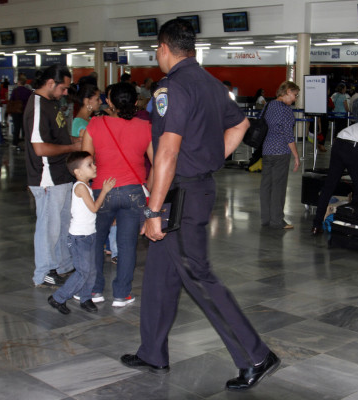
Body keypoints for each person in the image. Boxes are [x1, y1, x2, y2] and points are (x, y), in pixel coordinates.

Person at [120, 18, 280, 392]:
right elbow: (241, 125)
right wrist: (212, 156)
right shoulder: (210, 84)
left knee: (197, 275)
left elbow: (167, 153)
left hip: (180, 195)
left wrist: (153, 211)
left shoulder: (171, 88)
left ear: (163, 47)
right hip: (197, 186)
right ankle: (152, 352)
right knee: (161, 275)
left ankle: (256, 355)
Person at [82, 82, 154, 307]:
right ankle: (122, 294)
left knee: (95, 242)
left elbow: (85, 160)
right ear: (135, 102)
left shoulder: (95, 123)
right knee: (126, 245)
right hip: (134, 191)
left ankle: (95, 290)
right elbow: (157, 162)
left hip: (102, 190)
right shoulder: (146, 127)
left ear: (109, 102)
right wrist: (146, 186)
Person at [25, 65, 81, 287]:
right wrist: (71, 148)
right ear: (50, 83)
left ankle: (62, 264)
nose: (66, 93)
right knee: (49, 226)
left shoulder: (52, 103)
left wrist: (73, 142)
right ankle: (45, 270)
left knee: (63, 222)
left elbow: (57, 136)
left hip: (61, 174)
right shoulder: (37, 106)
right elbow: (40, 148)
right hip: (46, 176)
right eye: (63, 88)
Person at [47, 152, 116, 315]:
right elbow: (93, 208)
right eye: (89, 165)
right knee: (83, 271)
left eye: (93, 163)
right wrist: (105, 191)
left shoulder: (85, 186)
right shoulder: (80, 186)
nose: (94, 167)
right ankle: (58, 298)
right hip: (79, 238)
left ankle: (85, 298)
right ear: (78, 172)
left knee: (91, 270)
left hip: (89, 235)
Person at [260, 81, 301, 229]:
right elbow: (288, 135)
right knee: (278, 186)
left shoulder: (268, 105)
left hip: (266, 150)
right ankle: (277, 220)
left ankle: (265, 218)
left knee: (266, 185)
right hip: (280, 151)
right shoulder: (286, 110)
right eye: (295, 95)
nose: (295, 99)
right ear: (288, 91)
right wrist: (296, 155)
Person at [8, 73, 32, 150]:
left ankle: (15, 143)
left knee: (16, 127)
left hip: (16, 112)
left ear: (19, 82)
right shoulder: (28, 91)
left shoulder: (15, 91)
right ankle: (26, 142)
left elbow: (11, 101)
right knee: (25, 127)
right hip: (25, 111)